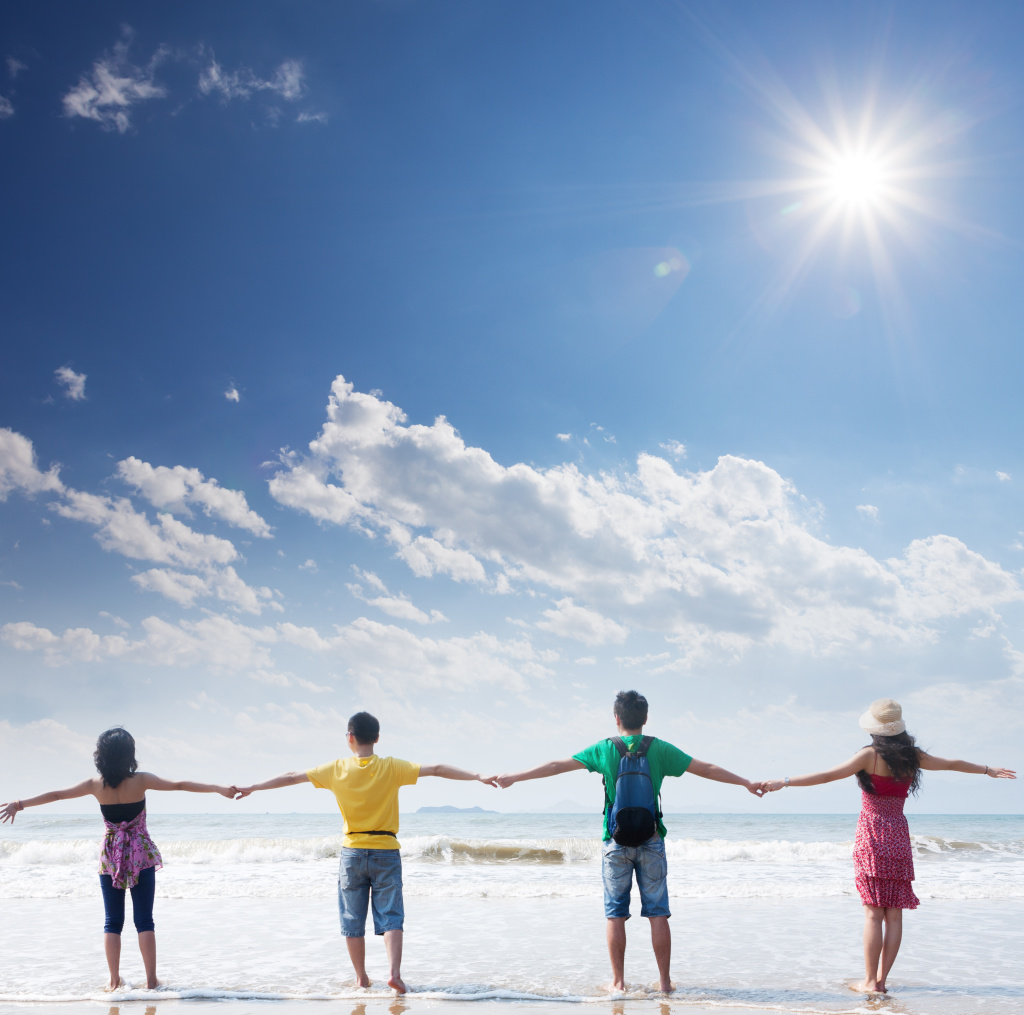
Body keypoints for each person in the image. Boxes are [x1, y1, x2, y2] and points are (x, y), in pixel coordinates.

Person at [494, 690, 762, 994]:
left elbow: (557, 766)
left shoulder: (605, 749)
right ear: (645, 719)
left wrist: (515, 776)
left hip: (615, 843)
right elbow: (707, 769)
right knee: (658, 912)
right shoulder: (659, 749)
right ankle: (664, 984)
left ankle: (618, 983)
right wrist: (746, 783)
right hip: (651, 840)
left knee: (615, 914)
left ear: (617, 718)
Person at [762, 697, 1016, 995]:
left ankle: (869, 982)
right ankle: (881, 982)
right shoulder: (914, 756)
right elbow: (951, 764)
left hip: (871, 834)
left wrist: (785, 781)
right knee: (894, 913)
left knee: (873, 913)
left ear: (875, 729)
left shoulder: (868, 756)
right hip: (898, 834)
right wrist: (987, 769)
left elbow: (827, 775)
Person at [234, 710, 496, 993]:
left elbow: (290, 777)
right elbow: (437, 769)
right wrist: (478, 776)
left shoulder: (336, 769)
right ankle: (394, 974)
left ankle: (361, 978)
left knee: (352, 919)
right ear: (377, 738)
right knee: (391, 915)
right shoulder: (392, 767)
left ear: (350, 737)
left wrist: (253, 787)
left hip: (352, 853)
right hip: (386, 850)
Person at [0, 726, 237, 991]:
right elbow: (180, 785)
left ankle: (114, 982)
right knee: (144, 920)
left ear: (101, 756)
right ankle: (151, 982)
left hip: (111, 857)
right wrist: (218, 788)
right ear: (129, 754)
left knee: (112, 921)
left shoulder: (95, 785)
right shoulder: (141, 780)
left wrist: (19, 804)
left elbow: (56, 795)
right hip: (140, 855)